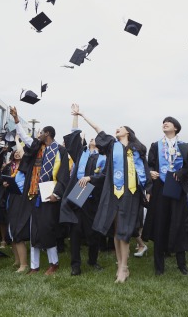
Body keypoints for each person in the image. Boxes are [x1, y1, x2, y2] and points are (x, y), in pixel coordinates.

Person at [75, 107, 151, 283]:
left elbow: (144, 171)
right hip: (113, 193)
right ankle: (120, 266)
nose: (117, 128)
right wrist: (83, 115)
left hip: (130, 194)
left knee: (124, 231)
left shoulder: (137, 150)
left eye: (121, 127)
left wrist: (149, 190)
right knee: (116, 231)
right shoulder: (111, 145)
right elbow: (98, 129)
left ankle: (124, 268)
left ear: (128, 132)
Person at [9, 106, 70, 275]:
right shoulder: (36, 147)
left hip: (49, 195)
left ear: (48, 134)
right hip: (32, 193)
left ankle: (54, 263)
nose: (39, 134)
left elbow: (64, 174)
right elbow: (24, 137)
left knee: (47, 229)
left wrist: (57, 194)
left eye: (41, 132)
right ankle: (34, 266)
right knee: (32, 230)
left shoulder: (60, 150)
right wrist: (16, 119)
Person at [142, 116, 188, 275]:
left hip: (177, 188)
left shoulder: (184, 146)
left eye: (168, 122)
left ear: (176, 128)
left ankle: (182, 264)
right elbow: (149, 164)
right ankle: (159, 266)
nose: (165, 124)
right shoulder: (156, 145)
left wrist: (181, 172)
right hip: (160, 188)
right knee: (160, 224)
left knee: (178, 224)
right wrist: (151, 172)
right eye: (163, 122)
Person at [60, 104, 107, 276]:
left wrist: (91, 179)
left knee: (94, 233)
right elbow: (74, 135)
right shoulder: (81, 153)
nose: (94, 139)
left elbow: (105, 177)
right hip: (77, 197)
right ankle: (75, 265)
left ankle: (93, 260)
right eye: (92, 138)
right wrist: (76, 116)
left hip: (94, 199)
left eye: (97, 138)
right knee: (75, 231)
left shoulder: (105, 158)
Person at [3, 143, 29, 272]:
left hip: (20, 200)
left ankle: (24, 264)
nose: (18, 153)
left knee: (17, 232)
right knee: (12, 231)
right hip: (11, 198)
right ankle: (17, 260)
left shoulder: (25, 168)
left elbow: (22, 153)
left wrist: (18, 138)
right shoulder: (10, 167)